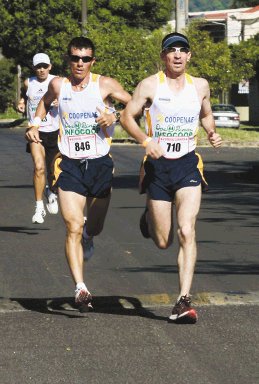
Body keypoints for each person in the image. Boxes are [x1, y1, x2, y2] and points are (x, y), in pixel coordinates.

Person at [120, 32, 222, 323]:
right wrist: (144, 141)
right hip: (158, 167)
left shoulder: (200, 86)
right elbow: (127, 116)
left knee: (187, 230)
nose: (177, 55)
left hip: (188, 164)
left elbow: (206, 114)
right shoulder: (150, 85)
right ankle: (149, 217)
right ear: (163, 56)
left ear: (189, 56)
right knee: (163, 241)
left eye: (182, 50)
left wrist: (212, 131)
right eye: (171, 50)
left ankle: (183, 300)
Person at [25, 37, 131, 309]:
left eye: (85, 59)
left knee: (93, 226)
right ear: (68, 59)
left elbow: (135, 104)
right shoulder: (58, 85)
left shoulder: (104, 84)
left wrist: (114, 115)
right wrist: (36, 124)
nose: (80, 63)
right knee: (72, 225)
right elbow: (45, 103)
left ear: (92, 61)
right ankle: (80, 288)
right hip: (69, 162)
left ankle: (89, 236)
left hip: (99, 163)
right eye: (75, 58)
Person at [18, 53, 59, 224]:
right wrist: (21, 102)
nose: (41, 69)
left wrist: (59, 102)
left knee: (52, 171)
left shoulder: (57, 82)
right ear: (34, 68)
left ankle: (50, 191)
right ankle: (39, 207)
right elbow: (24, 95)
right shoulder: (29, 82)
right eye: (38, 67)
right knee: (39, 167)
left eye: (44, 66)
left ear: (50, 66)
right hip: (35, 131)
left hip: (55, 131)